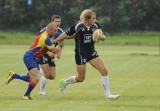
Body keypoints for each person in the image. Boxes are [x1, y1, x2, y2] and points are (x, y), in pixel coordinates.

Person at [55, 9, 120, 100]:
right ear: (87, 19)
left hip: (92, 53)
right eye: (93, 18)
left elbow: (103, 37)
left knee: (104, 71)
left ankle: (108, 95)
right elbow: (66, 34)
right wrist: (55, 40)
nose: (95, 19)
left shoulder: (96, 25)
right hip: (80, 54)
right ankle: (65, 82)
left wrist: (101, 37)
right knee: (81, 78)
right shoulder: (78, 25)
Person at [6, 21, 60, 100]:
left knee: (30, 78)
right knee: (37, 78)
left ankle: (14, 75)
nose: (56, 33)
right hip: (30, 57)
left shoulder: (44, 35)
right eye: (55, 31)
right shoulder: (46, 38)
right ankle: (25, 95)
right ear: (50, 30)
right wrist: (58, 46)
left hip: (33, 58)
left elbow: (51, 50)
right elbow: (54, 51)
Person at [37, 15, 64, 96]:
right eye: (56, 21)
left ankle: (39, 72)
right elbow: (40, 43)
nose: (58, 23)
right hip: (42, 53)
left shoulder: (60, 31)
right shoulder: (45, 30)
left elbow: (61, 44)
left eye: (59, 21)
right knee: (47, 74)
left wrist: (59, 53)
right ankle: (41, 91)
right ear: (52, 22)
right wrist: (49, 53)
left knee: (52, 76)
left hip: (52, 53)